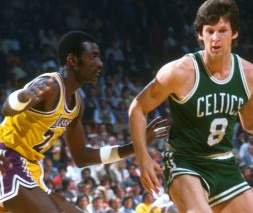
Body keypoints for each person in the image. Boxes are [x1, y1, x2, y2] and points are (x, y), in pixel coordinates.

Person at [129, 0, 253, 212]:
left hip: (223, 163)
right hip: (184, 162)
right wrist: (143, 158)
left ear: (234, 33)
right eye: (209, 31)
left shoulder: (250, 75)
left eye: (222, 30)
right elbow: (138, 108)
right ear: (200, 35)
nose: (215, 38)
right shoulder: (179, 72)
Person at [0, 31, 169, 213]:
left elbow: (81, 156)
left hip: (30, 167)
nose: (100, 64)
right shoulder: (50, 85)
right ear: (72, 60)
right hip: (7, 157)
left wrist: (137, 146)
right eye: (93, 57)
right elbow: (8, 108)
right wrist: (23, 96)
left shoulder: (77, 104)